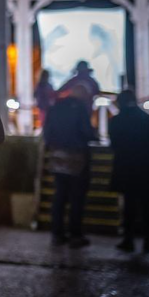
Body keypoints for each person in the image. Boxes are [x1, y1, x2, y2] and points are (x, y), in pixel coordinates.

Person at [43, 84, 97, 248]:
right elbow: (86, 131)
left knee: (59, 196)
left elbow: (47, 131)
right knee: (77, 198)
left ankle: (57, 234)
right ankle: (75, 234)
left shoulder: (56, 107)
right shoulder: (80, 108)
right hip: (77, 157)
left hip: (58, 157)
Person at [108, 89, 149, 253]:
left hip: (126, 168)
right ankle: (148, 240)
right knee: (146, 205)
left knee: (129, 205)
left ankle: (129, 239)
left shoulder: (117, 121)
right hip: (145, 168)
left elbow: (114, 145)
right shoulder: (146, 119)